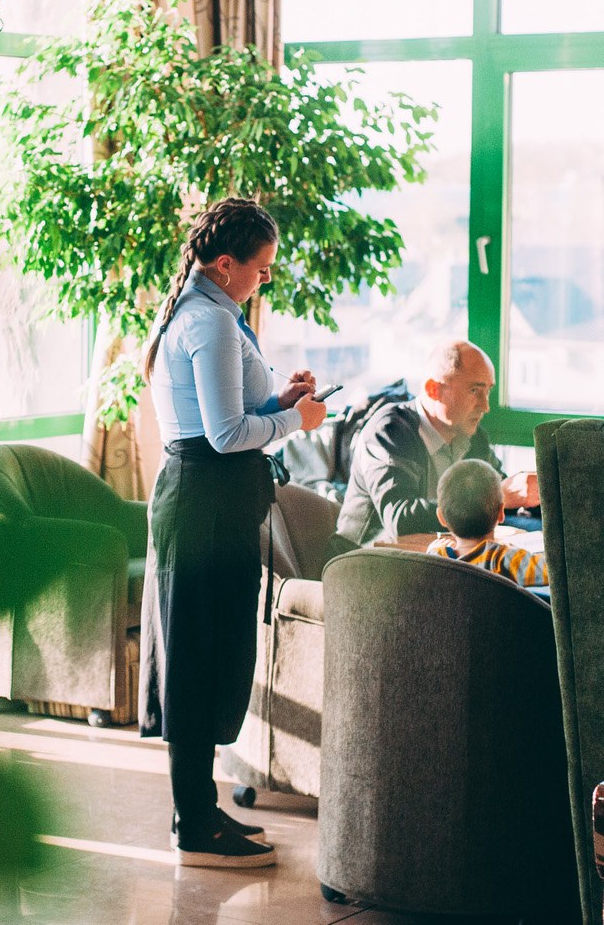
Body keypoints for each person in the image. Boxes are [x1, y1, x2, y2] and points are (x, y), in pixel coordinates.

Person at [139, 199, 327, 869]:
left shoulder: (205, 312)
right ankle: (193, 824)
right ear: (225, 264)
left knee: (207, 652)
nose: (265, 279)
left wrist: (279, 404)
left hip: (205, 498)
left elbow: (228, 417)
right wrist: (297, 422)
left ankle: (198, 809)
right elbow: (223, 435)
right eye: (261, 268)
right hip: (206, 503)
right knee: (198, 658)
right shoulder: (212, 322)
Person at [335, 340, 539, 546]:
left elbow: (502, 498)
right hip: (365, 557)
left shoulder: (472, 435)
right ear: (433, 389)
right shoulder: (390, 430)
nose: (485, 406)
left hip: (434, 556)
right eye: (474, 390)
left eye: (487, 392)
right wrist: (494, 496)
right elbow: (400, 518)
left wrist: (531, 496)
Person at [427, 458, 548, 587]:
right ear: (501, 513)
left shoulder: (437, 559)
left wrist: (433, 549)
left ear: (441, 517)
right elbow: (554, 572)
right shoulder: (508, 559)